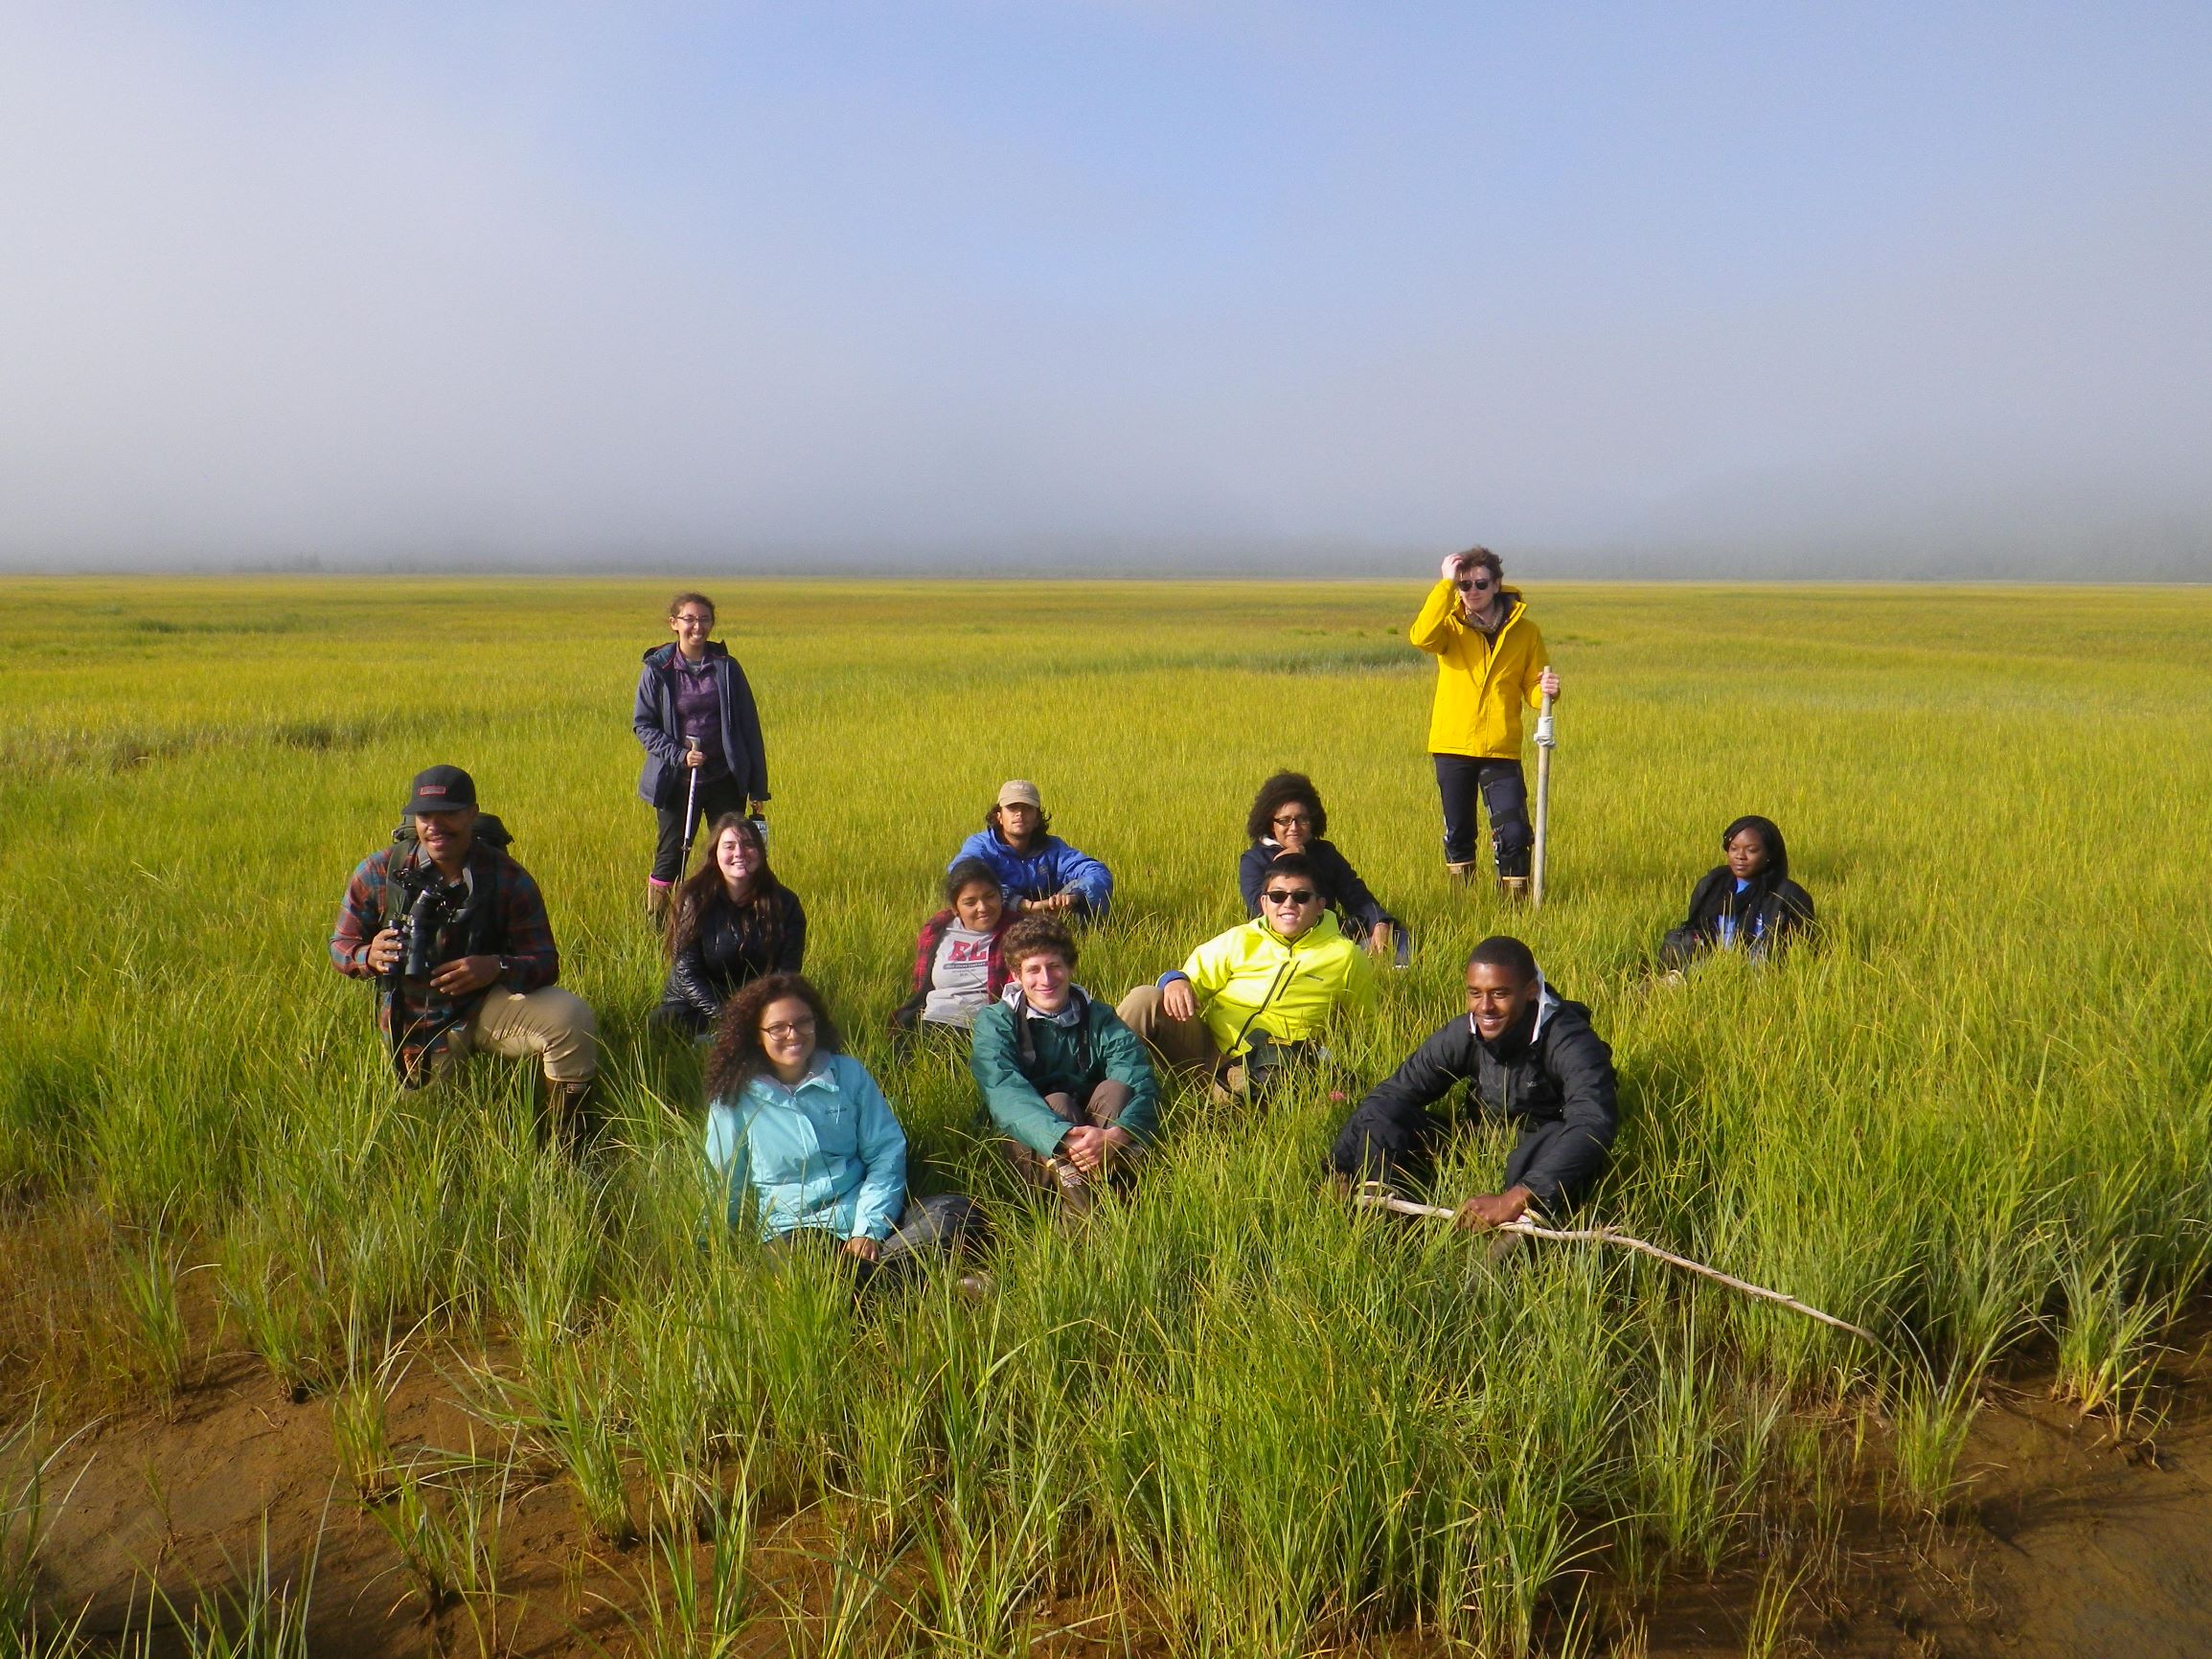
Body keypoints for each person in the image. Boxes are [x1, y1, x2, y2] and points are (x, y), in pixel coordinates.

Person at [331, 765, 599, 1135]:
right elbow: (340, 947)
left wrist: (497, 966)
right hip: (417, 1019)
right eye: (425, 816)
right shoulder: (379, 873)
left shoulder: (505, 877)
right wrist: (368, 956)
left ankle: (567, 1137)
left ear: (472, 814)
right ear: (413, 819)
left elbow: (545, 962)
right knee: (426, 1128)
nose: (435, 826)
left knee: (571, 1017)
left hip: (488, 1005)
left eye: (450, 814)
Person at [704, 973, 988, 1289]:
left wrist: (867, 1229)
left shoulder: (848, 1073)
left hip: (869, 1217)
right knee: (806, 1262)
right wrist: (710, 1249)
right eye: (777, 1028)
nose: (793, 1034)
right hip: (795, 1233)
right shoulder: (734, 1098)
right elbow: (723, 1179)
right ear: (757, 1035)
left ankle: (868, 1285)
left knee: (955, 1211)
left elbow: (885, 1154)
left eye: (802, 1022)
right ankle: (937, 1288)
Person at [1329, 936, 1616, 1229]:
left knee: (1560, 1136)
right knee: (1385, 1112)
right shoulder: (1466, 1030)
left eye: (1499, 994)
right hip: (1475, 1145)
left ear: (1531, 991)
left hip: (1539, 1154)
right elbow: (1393, 1094)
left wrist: (1516, 1196)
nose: (1485, 1007)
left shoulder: (1569, 1039)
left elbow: (1593, 1122)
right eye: (1475, 993)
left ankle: (1515, 1240)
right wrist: (1339, 1167)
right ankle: (1380, 1212)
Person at [1117, 852, 1379, 1099]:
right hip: (1207, 1049)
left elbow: (1363, 1025)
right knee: (1145, 999)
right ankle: (1100, 1083)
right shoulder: (1241, 938)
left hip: (1265, 1068)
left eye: (1301, 896)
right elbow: (1188, 977)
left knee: (1233, 1101)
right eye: (1277, 896)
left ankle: (1197, 1114)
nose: (1288, 904)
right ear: (1264, 903)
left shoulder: (1345, 956)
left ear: (1320, 905)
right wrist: (1174, 981)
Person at [969, 917, 1159, 1216]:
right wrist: (1063, 1136)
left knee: (1115, 1090)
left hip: (1098, 1137)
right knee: (1057, 1103)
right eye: (1033, 969)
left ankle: (1117, 1198)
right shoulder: (996, 1022)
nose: (1046, 979)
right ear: (1016, 975)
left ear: (1069, 967)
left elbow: (1138, 1078)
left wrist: (1116, 1136)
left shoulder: (1099, 1017)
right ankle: (1088, 1222)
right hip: (1032, 1145)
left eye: (1054, 966)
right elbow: (1003, 1092)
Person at [1408, 547, 1562, 898]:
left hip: (1500, 746)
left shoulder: (1526, 632)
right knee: (1459, 831)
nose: (1472, 591)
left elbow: (1532, 688)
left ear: (1497, 584)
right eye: (1464, 585)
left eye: (1480, 583)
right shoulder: (1449, 627)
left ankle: (1514, 906)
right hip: (1452, 745)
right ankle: (1462, 901)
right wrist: (1445, 585)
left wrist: (1547, 693)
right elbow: (1420, 637)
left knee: (1513, 832)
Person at [634, 591, 771, 926]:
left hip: (725, 778)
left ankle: (725, 921)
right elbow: (643, 725)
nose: (698, 626)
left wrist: (757, 786)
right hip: (676, 781)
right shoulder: (658, 668)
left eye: (705, 619)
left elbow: (748, 726)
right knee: (670, 858)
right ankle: (657, 926)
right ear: (674, 624)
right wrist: (680, 755)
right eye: (690, 619)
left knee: (730, 851)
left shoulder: (726, 667)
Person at [650, 814, 807, 1038]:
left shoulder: (786, 904)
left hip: (760, 1002)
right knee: (660, 1025)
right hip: (697, 1002)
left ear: (761, 853)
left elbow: (787, 972)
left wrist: (758, 1012)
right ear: (715, 854)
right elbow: (686, 972)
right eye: (729, 846)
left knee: (805, 1028)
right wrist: (726, 1015)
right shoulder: (694, 899)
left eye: (748, 844)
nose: (739, 853)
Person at [1239, 772, 1402, 961]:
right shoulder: (1254, 860)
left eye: (1302, 819)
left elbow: (1357, 896)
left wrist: (1379, 922)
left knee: (1397, 934)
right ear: (1270, 823)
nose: (1294, 827)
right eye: (1285, 820)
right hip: (1277, 948)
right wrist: (1284, 861)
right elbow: (1260, 909)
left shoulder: (1324, 853)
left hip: (1331, 938)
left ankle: (1394, 972)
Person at [1659, 815, 1815, 969]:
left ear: (1770, 854)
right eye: (1733, 848)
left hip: (1763, 976)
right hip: (1708, 968)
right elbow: (1695, 929)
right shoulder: (1711, 885)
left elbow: (1803, 948)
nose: (1740, 856)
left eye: (1751, 850)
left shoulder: (1788, 895)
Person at [948, 781, 1112, 920]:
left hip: (1049, 918)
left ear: (1037, 818)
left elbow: (1097, 872)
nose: (1019, 814)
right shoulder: (980, 845)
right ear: (999, 816)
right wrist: (1021, 904)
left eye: (1027, 808)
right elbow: (962, 874)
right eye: (1012, 808)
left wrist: (1073, 898)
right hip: (998, 921)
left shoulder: (1052, 848)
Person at [891, 859, 1015, 1034]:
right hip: (933, 1022)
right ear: (955, 908)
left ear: (1000, 896)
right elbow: (921, 985)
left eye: (990, 896)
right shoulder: (935, 930)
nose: (983, 907)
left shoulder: (1017, 931)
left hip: (989, 1027)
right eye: (970, 902)